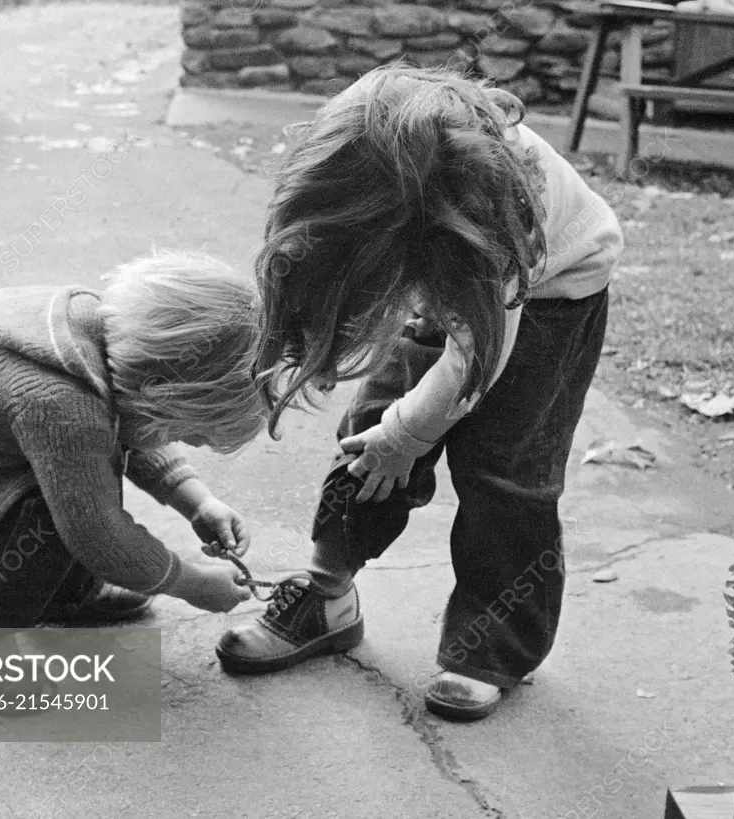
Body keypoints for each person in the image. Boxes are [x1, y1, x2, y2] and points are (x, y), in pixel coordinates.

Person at [216, 65, 623, 722]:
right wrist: (387, 424)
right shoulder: (369, 135)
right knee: (370, 426)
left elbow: (474, 355)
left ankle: (492, 644)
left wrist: (412, 433)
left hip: (550, 296)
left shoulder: (497, 211)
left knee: (504, 469)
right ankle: (327, 593)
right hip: (447, 260)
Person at [0, 251, 263, 647]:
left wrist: (197, 501)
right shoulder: (61, 406)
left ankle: (62, 594)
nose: (177, 442)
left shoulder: (98, 335)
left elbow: (131, 426)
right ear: (156, 391)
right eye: (182, 432)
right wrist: (191, 583)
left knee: (78, 478)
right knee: (66, 517)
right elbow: (99, 536)